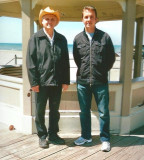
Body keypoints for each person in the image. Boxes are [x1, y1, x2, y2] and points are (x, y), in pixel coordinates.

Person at [73, 6, 115, 152]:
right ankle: (86, 136)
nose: (88, 19)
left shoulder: (105, 37)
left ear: (96, 19)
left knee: (103, 112)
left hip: (100, 82)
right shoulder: (78, 38)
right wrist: (85, 73)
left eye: (91, 17)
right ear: (82, 19)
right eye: (86, 17)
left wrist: (101, 71)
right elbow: (77, 59)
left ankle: (105, 139)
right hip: (83, 82)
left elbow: (110, 59)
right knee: (84, 111)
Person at [26, 6, 70, 148]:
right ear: (42, 21)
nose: (49, 21)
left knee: (54, 110)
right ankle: (42, 136)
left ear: (56, 21)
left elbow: (65, 61)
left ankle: (53, 134)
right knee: (39, 111)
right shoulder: (35, 38)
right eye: (46, 19)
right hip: (41, 82)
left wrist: (65, 81)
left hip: (57, 82)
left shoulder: (61, 39)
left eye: (52, 19)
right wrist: (34, 82)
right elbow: (30, 62)